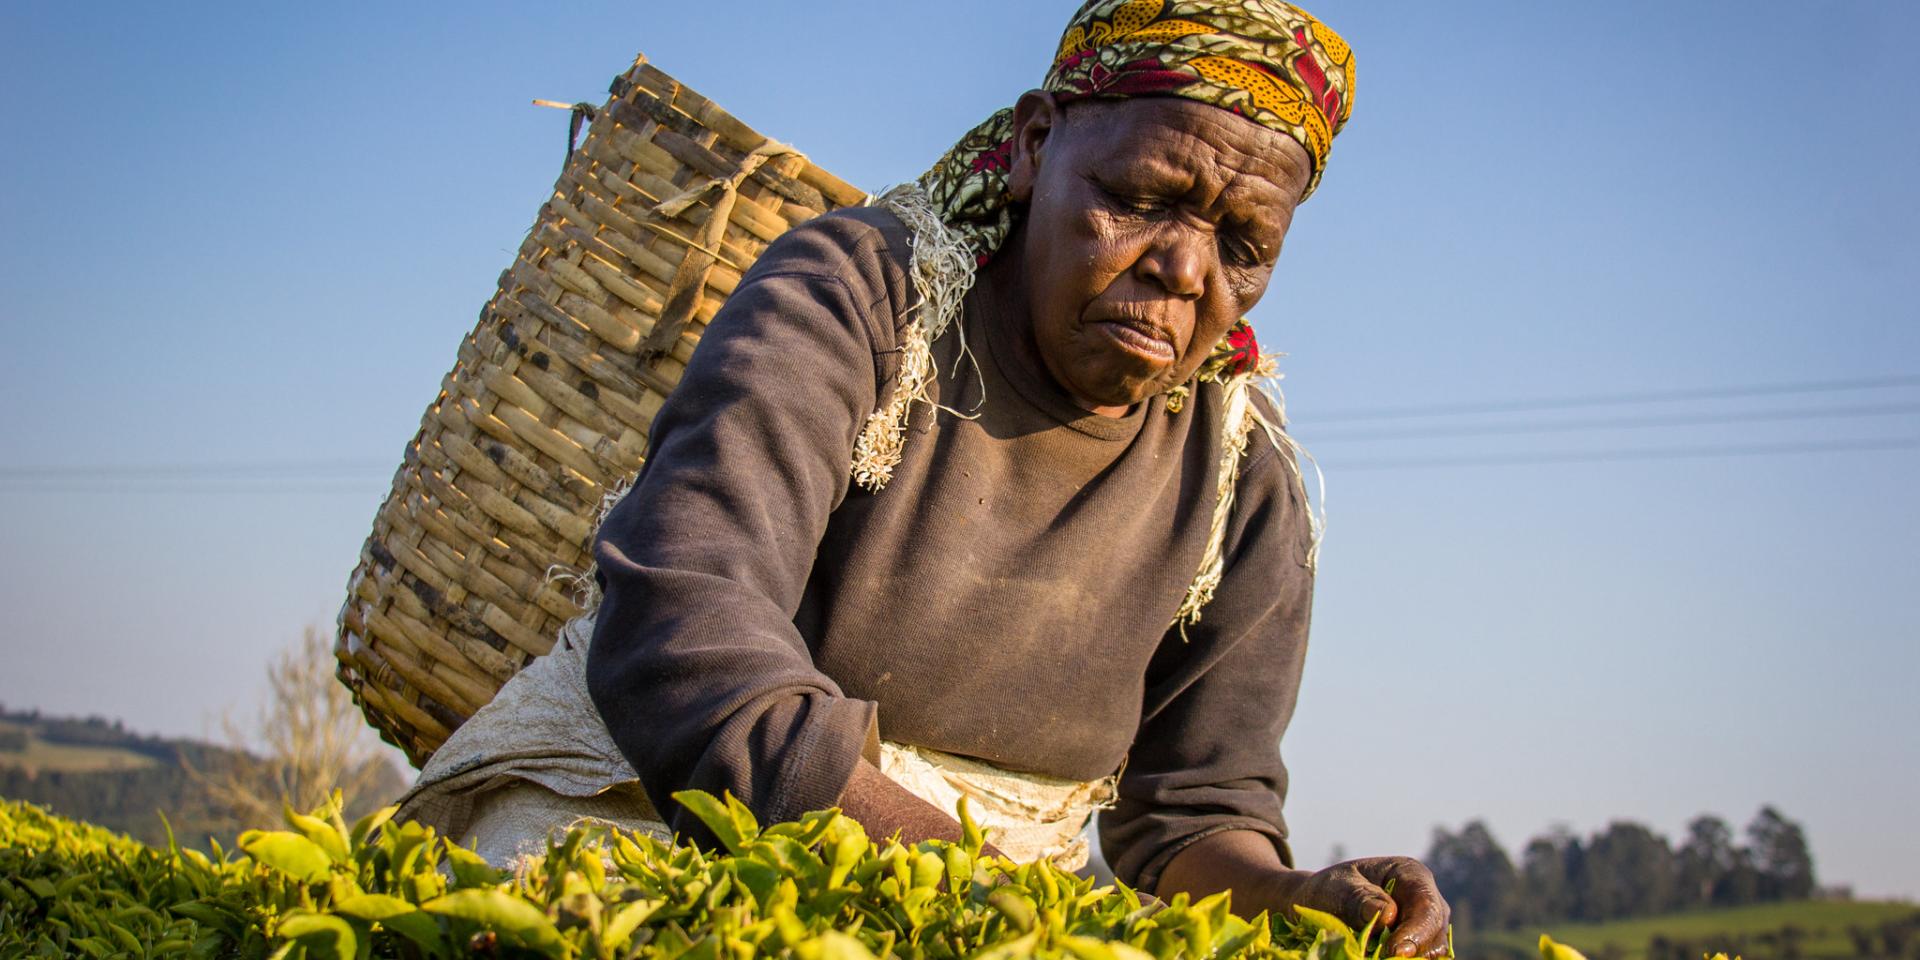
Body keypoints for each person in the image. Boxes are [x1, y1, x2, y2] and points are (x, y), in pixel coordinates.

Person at [398, 1, 1452, 955]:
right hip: (670, 805)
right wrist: (960, 879)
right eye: (1141, 200)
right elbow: (684, 629)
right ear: (1037, 145)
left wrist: (1299, 897)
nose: (1185, 269)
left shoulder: (1239, 478)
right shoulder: (861, 301)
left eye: (1242, 244)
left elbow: (1192, 813)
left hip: (999, 908)